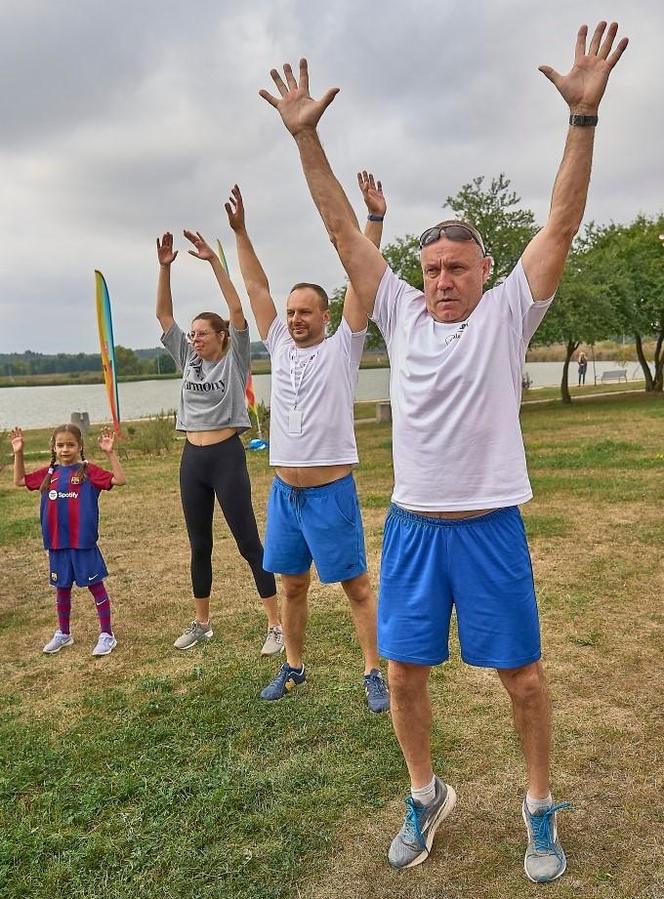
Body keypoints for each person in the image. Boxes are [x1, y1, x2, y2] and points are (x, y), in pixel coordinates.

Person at [259, 20, 627, 882]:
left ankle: (539, 807)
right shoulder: (397, 312)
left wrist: (582, 120)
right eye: (432, 269)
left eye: (457, 267)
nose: (442, 280)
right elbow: (340, 224)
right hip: (416, 527)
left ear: (485, 268)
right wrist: (308, 136)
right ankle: (426, 792)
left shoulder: (508, 312)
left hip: (490, 526)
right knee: (404, 672)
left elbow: (563, 222)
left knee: (523, 681)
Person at [225, 175, 389, 713]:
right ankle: (294, 668)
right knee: (291, 586)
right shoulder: (277, 344)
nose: (294, 318)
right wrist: (241, 233)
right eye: (291, 311)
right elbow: (256, 290)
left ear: (324, 315)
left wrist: (374, 220)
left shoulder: (344, 346)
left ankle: (374, 674)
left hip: (329, 493)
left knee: (356, 589)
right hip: (284, 495)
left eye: (304, 311)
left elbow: (361, 275)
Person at [156, 228, 282, 655]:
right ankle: (202, 623)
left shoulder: (235, 357)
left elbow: (236, 308)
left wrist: (213, 261)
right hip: (193, 458)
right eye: (192, 334)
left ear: (221, 336)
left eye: (202, 334)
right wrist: (164, 269)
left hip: (227, 456)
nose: (194, 338)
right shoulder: (187, 359)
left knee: (248, 541)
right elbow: (163, 316)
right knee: (200, 544)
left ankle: (275, 625)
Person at [10, 424, 126, 656]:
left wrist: (110, 453)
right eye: (60, 445)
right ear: (54, 447)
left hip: (83, 543)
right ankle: (64, 633)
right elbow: (20, 481)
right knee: (62, 589)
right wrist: (19, 452)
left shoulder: (88, 471)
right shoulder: (49, 473)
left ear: (79, 446)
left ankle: (107, 635)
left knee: (96, 587)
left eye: (70, 445)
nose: (65, 449)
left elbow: (120, 480)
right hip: (57, 544)